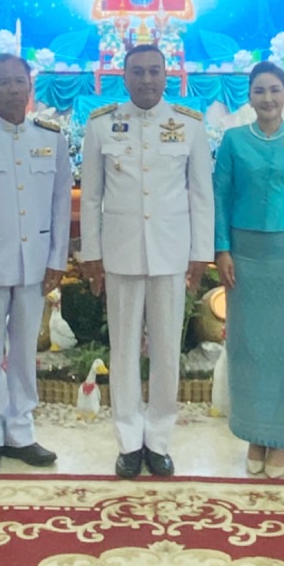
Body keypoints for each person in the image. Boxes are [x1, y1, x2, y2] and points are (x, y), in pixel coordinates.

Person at [80, 42, 213, 478]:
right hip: (121, 252)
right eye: (137, 71)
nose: (147, 79)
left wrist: (201, 254)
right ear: (124, 76)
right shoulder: (101, 124)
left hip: (171, 253)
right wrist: (92, 253)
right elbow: (92, 196)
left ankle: (158, 439)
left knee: (167, 350)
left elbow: (201, 194)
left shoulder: (189, 124)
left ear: (166, 75)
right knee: (122, 351)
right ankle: (128, 441)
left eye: (154, 71)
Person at [0, 54, 72, 474]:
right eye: (3, 82)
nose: (12, 89)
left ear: (29, 86)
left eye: (18, 81)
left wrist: (57, 259)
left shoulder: (52, 139)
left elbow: (60, 204)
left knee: (24, 351)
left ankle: (21, 431)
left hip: (35, 264)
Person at [213, 62, 284, 479]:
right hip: (244, 258)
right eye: (259, 90)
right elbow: (221, 196)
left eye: (275, 90)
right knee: (249, 347)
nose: (268, 98)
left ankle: (279, 439)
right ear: (249, 96)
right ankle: (253, 435)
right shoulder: (233, 140)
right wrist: (221, 249)